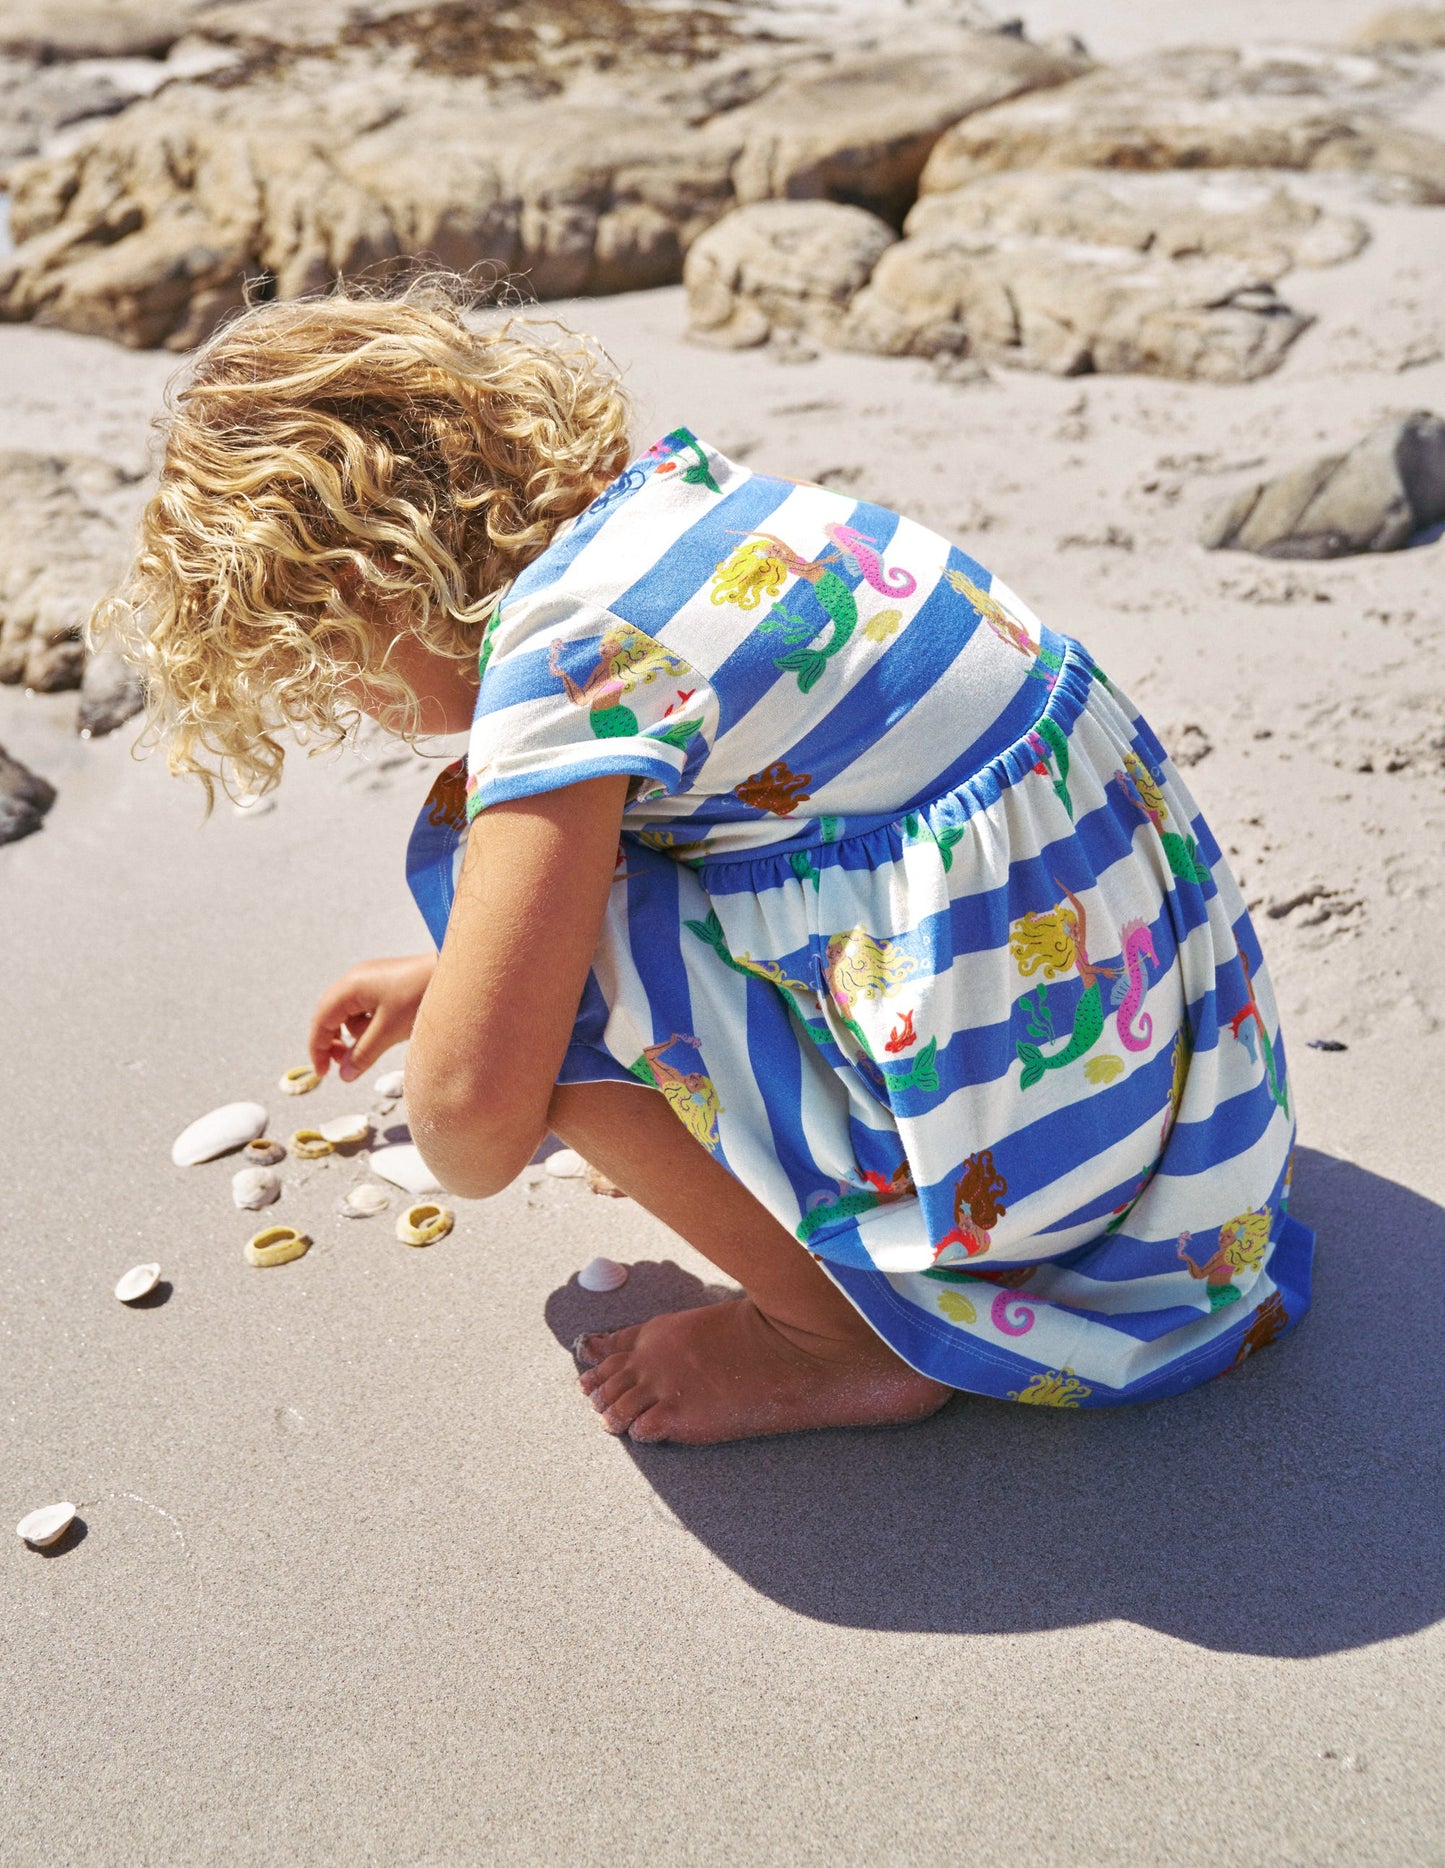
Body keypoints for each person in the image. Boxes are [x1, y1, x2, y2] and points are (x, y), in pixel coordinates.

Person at [101, 278, 1312, 1444]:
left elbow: (468, 1130)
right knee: (565, 882)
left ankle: (826, 1336)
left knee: (489, 883)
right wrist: (444, 984)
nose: (354, 703)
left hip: (1035, 1177)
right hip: (1179, 1111)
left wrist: (477, 1027)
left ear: (369, 586)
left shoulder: (561, 659)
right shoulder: (699, 515)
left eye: (331, 663)